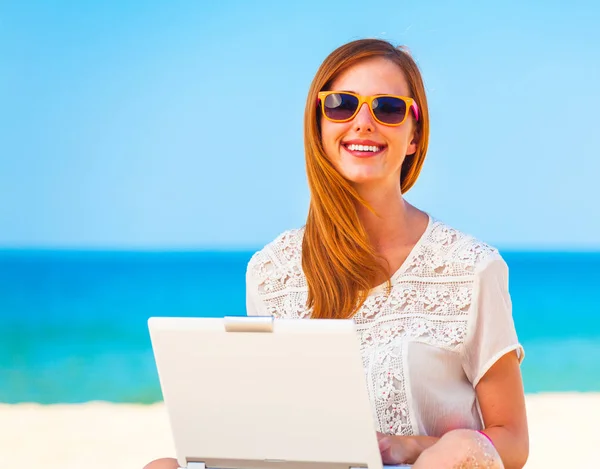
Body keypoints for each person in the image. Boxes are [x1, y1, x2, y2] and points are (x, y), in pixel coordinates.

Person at [144, 38, 529, 469]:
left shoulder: (471, 268)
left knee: (460, 448)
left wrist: (412, 446)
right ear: (320, 127)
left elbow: (511, 440)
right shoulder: (271, 270)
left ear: (414, 136)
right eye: (342, 105)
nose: (363, 123)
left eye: (387, 108)